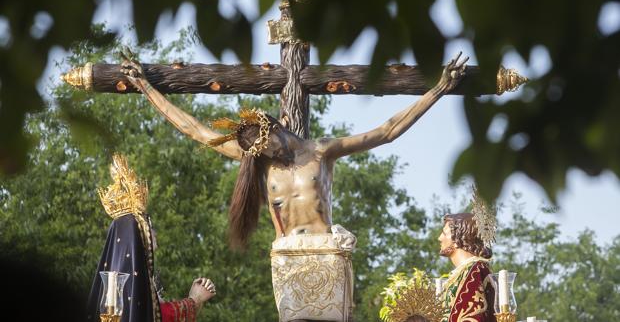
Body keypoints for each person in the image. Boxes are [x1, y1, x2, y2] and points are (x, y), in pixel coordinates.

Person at [120, 52, 468, 322]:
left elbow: (386, 131)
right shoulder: (259, 159)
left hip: (326, 253)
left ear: (275, 127)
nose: (269, 156)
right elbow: (197, 130)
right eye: (261, 153)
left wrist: (437, 88)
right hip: (287, 255)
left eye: (269, 147)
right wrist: (147, 87)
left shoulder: (321, 151)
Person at [86, 154, 216, 322]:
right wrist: (194, 300)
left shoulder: (136, 281)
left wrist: (194, 300)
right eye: (149, 228)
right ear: (138, 236)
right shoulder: (122, 290)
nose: (154, 235)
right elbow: (156, 316)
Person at [437, 187, 497, 322]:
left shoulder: (475, 270)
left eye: (445, 233)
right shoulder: (462, 273)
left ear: (458, 240)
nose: (439, 238)